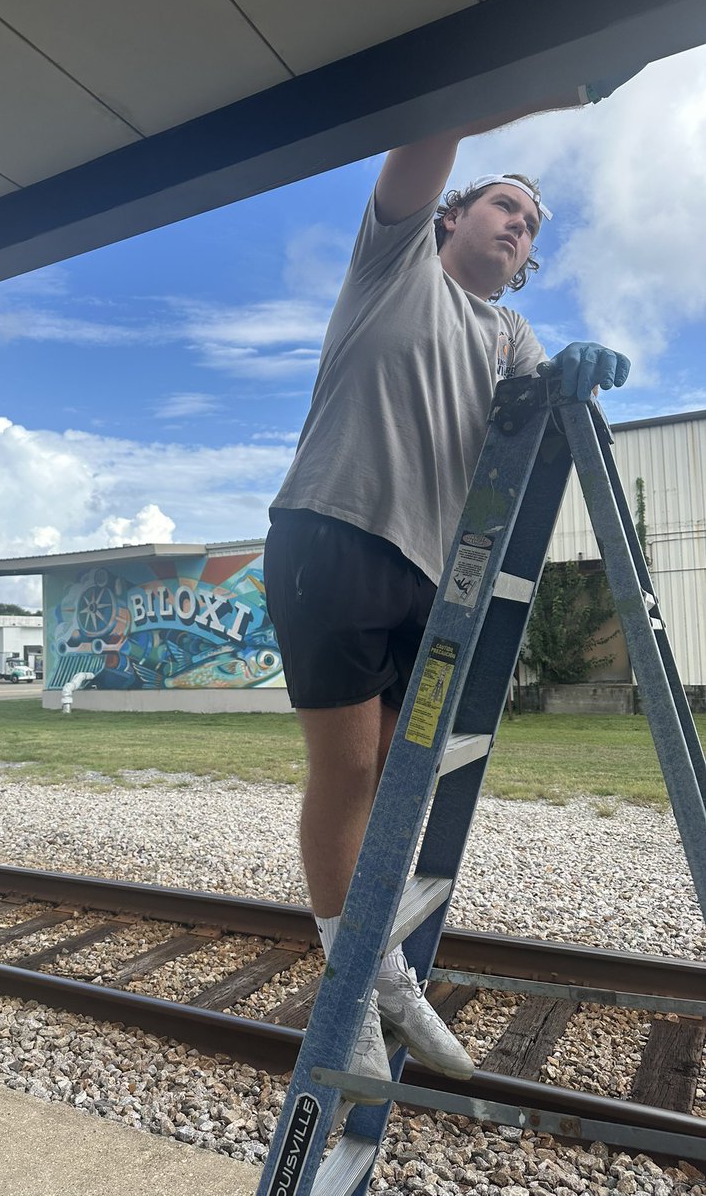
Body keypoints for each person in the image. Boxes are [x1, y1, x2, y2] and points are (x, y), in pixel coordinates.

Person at [263, 88, 633, 1098]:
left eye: (531, 227)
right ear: (452, 220)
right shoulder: (392, 267)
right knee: (343, 774)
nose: (519, 225)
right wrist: (554, 86)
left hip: (425, 574)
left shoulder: (507, 334)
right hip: (332, 534)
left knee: (385, 778)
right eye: (505, 207)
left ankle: (369, 965)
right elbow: (429, 128)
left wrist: (572, 377)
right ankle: (357, 992)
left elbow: (530, 400)